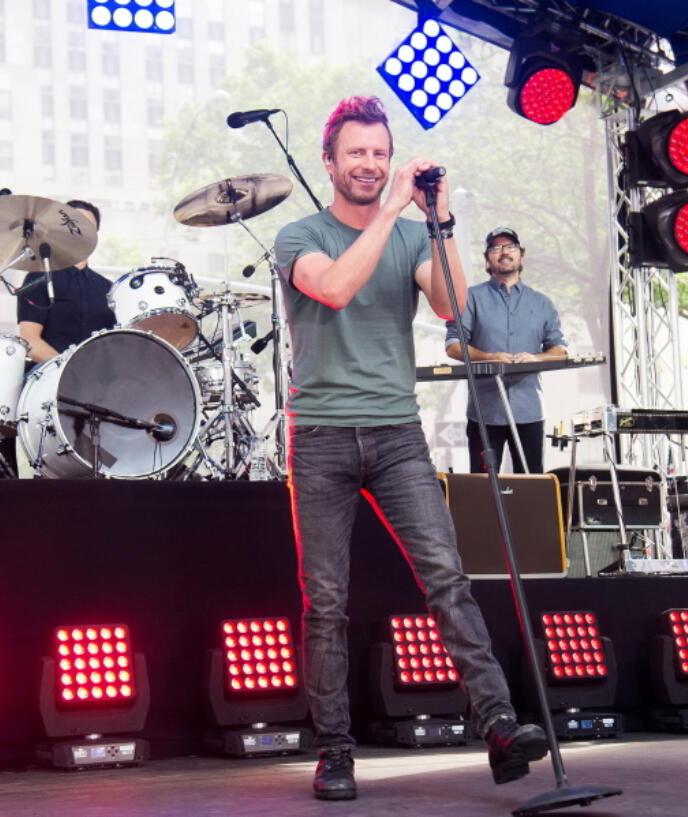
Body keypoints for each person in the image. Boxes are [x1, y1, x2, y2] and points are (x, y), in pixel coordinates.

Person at [273, 96, 548, 802]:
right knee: (326, 602)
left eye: (379, 153)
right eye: (356, 153)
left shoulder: (409, 234)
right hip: (323, 434)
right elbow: (333, 288)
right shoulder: (298, 234)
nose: (370, 164)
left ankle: (499, 726)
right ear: (329, 162)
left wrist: (442, 221)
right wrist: (396, 211)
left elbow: (456, 305)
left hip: (397, 431)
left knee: (447, 579)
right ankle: (335, 751)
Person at [445, 227, 566, 475]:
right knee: (481, 486)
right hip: (484, 411)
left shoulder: (542, 303)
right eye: (496, 248)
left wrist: (536, 358)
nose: (504, 252)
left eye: (510, 247)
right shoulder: (469, 298)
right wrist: (489, 357)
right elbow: (453, 345)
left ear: (522, 256)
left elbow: (560, 350)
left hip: (529, 410)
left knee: (532, 485)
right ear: (487, 259)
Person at [16, 199, 116, 365]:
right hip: (50, 380)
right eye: (74, 224)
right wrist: (67, 371)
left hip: (98, 383)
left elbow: (116, 343)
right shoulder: (38, 277)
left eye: (88, 227)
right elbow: (29, 339)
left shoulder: (108, 288)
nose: (80, 231)